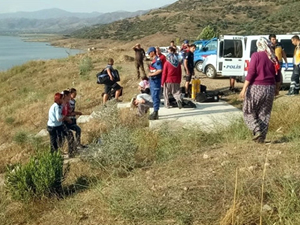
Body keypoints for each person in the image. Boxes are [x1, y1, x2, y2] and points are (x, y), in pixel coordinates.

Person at [239, 37, 281, 143]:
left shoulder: (256, 55)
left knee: (248, 111)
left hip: (257, 87)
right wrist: (277, 89)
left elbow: (251, 73)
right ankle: (261, 139)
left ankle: (256, 130)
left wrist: (244, 89)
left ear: (259, 45)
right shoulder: (273, 57)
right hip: (270, 88)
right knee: (264, 113)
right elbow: (278, 75)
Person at [147, 46, 162, 120]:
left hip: (156, 81)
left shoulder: (157, 60)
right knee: (153, 96)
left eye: (149, 53)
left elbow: (159, 70)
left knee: (155, 96)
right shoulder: (153, 61)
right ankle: (155, 111)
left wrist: (151, 74)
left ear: (153, 52)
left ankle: (156, 112)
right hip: (152, 81)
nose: (149, 54)